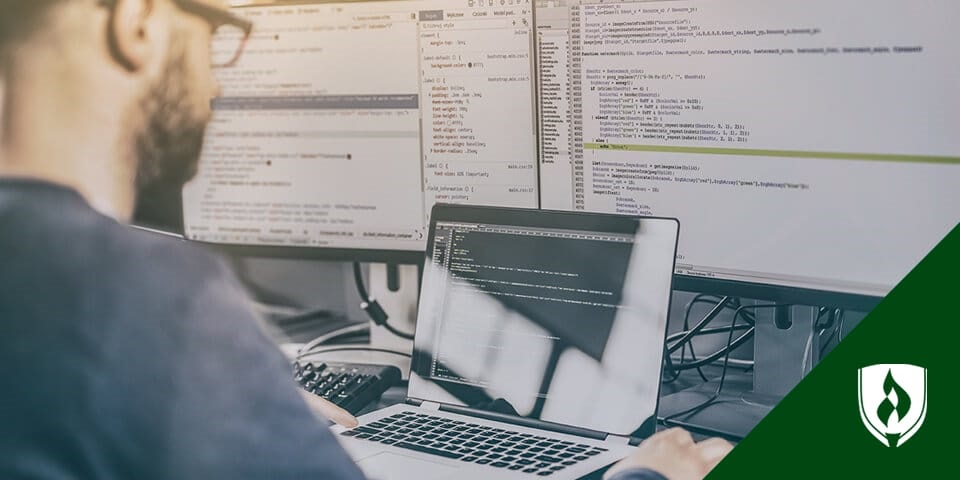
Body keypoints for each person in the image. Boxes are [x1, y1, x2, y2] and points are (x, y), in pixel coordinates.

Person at [0, 0, 732, 478]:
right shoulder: (131, 292)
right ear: (136, 21)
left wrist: (242, 402)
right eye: (221, 35)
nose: (219, 87)